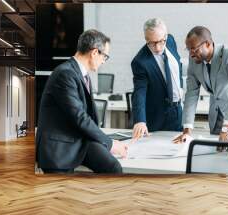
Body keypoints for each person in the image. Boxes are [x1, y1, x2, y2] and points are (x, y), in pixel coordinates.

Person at [36, 29, 128, 174]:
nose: (104, 61)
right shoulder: (65, 74)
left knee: (113, 167)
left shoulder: (82, 74)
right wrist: (110, 144)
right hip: (60, 148)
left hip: (79, 139)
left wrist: (106, 141)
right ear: (94, 52)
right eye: (105, 56)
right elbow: (79, 117)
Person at [174, 26, 228, 143]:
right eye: (188, 49)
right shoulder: (194, 60)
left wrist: (226, 128)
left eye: (194, 49)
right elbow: (191, 93)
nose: (191, 54)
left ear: (208, 44)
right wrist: (187, 130)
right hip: (215, 117)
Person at [131, 18, 183, 140]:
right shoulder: (140, 62)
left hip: (177, 111)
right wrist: (140, 121)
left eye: (161, 41)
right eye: (153, 43)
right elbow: (139, 92)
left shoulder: (170, 41)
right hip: (158, 117)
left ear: (166, 36)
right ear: (146, 39)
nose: (158, 47)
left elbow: (177, 67)